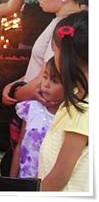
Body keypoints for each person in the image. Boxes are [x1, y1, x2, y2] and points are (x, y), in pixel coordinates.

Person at [2, 0, 87, 106]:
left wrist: (14, 93)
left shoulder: (66, 30)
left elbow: (46, 79)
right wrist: (18, 82)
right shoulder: (60, 21)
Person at [38, 11, 88, 191]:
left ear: (64, 56)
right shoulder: (77, 94)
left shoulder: (84, 109)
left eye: (54, 50)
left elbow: (59, 178)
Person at [9, 58, 63, 178]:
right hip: (24, 179)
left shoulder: (68, 117)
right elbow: (20, 146)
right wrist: (12, 181)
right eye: (45, 77)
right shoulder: (31, 108)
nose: (46, 84)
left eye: (54, 81)